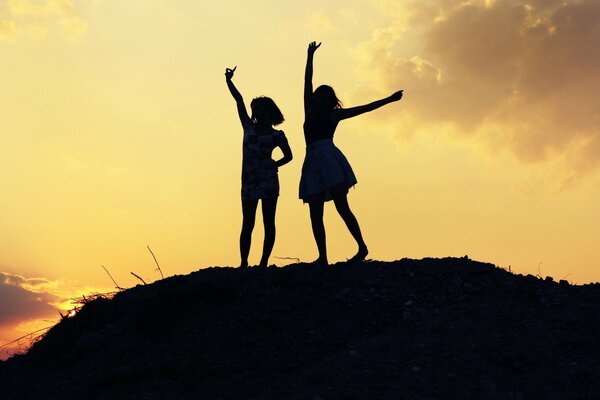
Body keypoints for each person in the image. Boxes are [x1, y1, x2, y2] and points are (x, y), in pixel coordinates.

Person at [300, 41, 403, 266]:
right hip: (312, 160)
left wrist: (389, 99)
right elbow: (307, 81)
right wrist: (310, 56)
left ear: (331, 101)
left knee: (341, 206)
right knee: (315, 212)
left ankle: (362, 247)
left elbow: (364, 108)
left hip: (329, 158)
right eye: (318, 96)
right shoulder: (309, 110)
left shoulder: (334, 116)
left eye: (325, 98)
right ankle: (323, 258)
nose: (319, 99)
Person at [225, 66, 293, 268]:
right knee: (248, 223)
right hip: (249, 181)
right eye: (255, 108)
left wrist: (276, 164)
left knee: (268, 222)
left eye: (260, 108)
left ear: (268, 111)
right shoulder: (248, 127)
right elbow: (239, 101)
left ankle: (263, 262)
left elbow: (289, 156)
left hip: (269, 181)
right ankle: (244, 262)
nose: (256, 111)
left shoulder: (277, 135)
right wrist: (229, 81)